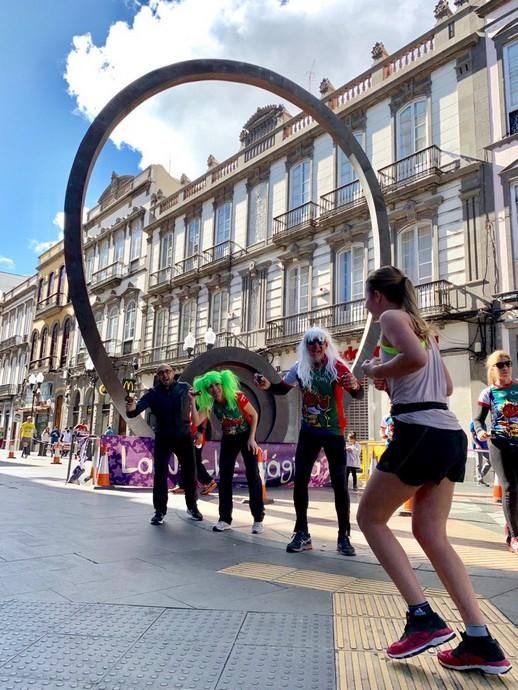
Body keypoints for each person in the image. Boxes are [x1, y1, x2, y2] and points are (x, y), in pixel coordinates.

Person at [358, 265, 510, 675]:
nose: (365, 304)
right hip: (447, 432)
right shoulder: (420, 325)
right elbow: (442, 385)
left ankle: (422, 618)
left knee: (370, 518)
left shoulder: (390, 318)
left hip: (419, 431)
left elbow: (414, 359)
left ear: (376, 296)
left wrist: (377, 371)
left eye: (365, 296)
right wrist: (395, 381)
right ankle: (480, 639)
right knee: (429, 531)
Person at [255, 326, 362, 557]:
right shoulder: (299, 367)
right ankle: (301, 532)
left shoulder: (337, 366)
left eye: (320, 342)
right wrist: (267, 385)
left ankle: (344, 536)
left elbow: (357, 393)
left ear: (326, 345)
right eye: (311, 343)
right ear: (306, 346)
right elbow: (282, 389)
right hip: (309, 432)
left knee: (340, 485)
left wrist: (355, 386)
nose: (315, 347)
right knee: (300, 481)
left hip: (334, 432)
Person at [127, 363, 202, 525]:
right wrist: (131, 405)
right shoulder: (152, 393)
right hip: (163, 438)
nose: (164, 375)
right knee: (160, 474)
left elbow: (199, 407)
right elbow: (134, 412)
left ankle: (192, 507)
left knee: (190, 473)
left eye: (167, 371)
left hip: (184, 436)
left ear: (173, 373)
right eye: (160, 373)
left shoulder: (184, 388)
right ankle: (159, 511)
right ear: (157, 376)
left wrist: (200, 431)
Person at [192, 369, 264, 534]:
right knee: (224, 477)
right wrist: (192, 401)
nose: (215, 389)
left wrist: (252, 438)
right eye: (210, 387)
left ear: (223, 384)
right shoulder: (210, 402)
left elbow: (254, 415)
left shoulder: (237, 396)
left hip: (246, 436)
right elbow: (196, 421)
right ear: (207, 390)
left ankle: (258, 518)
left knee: (253, 475)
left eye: (217, 384)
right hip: (229, 439)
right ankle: (224, 519)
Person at [474, 351, 518, 554]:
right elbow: (478, 419)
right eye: (500, 365)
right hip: (499, 443)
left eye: (507, 363)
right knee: (509, 487)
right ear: (493, 369)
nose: (506, 368)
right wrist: (481, 431)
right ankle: (514, 537)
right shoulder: (488, 393)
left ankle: (511, 525)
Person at [469, 418, 490, 486]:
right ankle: (480, 480)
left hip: (485, 446)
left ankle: (480, 477)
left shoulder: (484, 424)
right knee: (479, 464)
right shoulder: (473, 423)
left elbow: (485, 435)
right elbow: (472, 436)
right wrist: (477, 445)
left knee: (490, 461)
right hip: (478, 447)